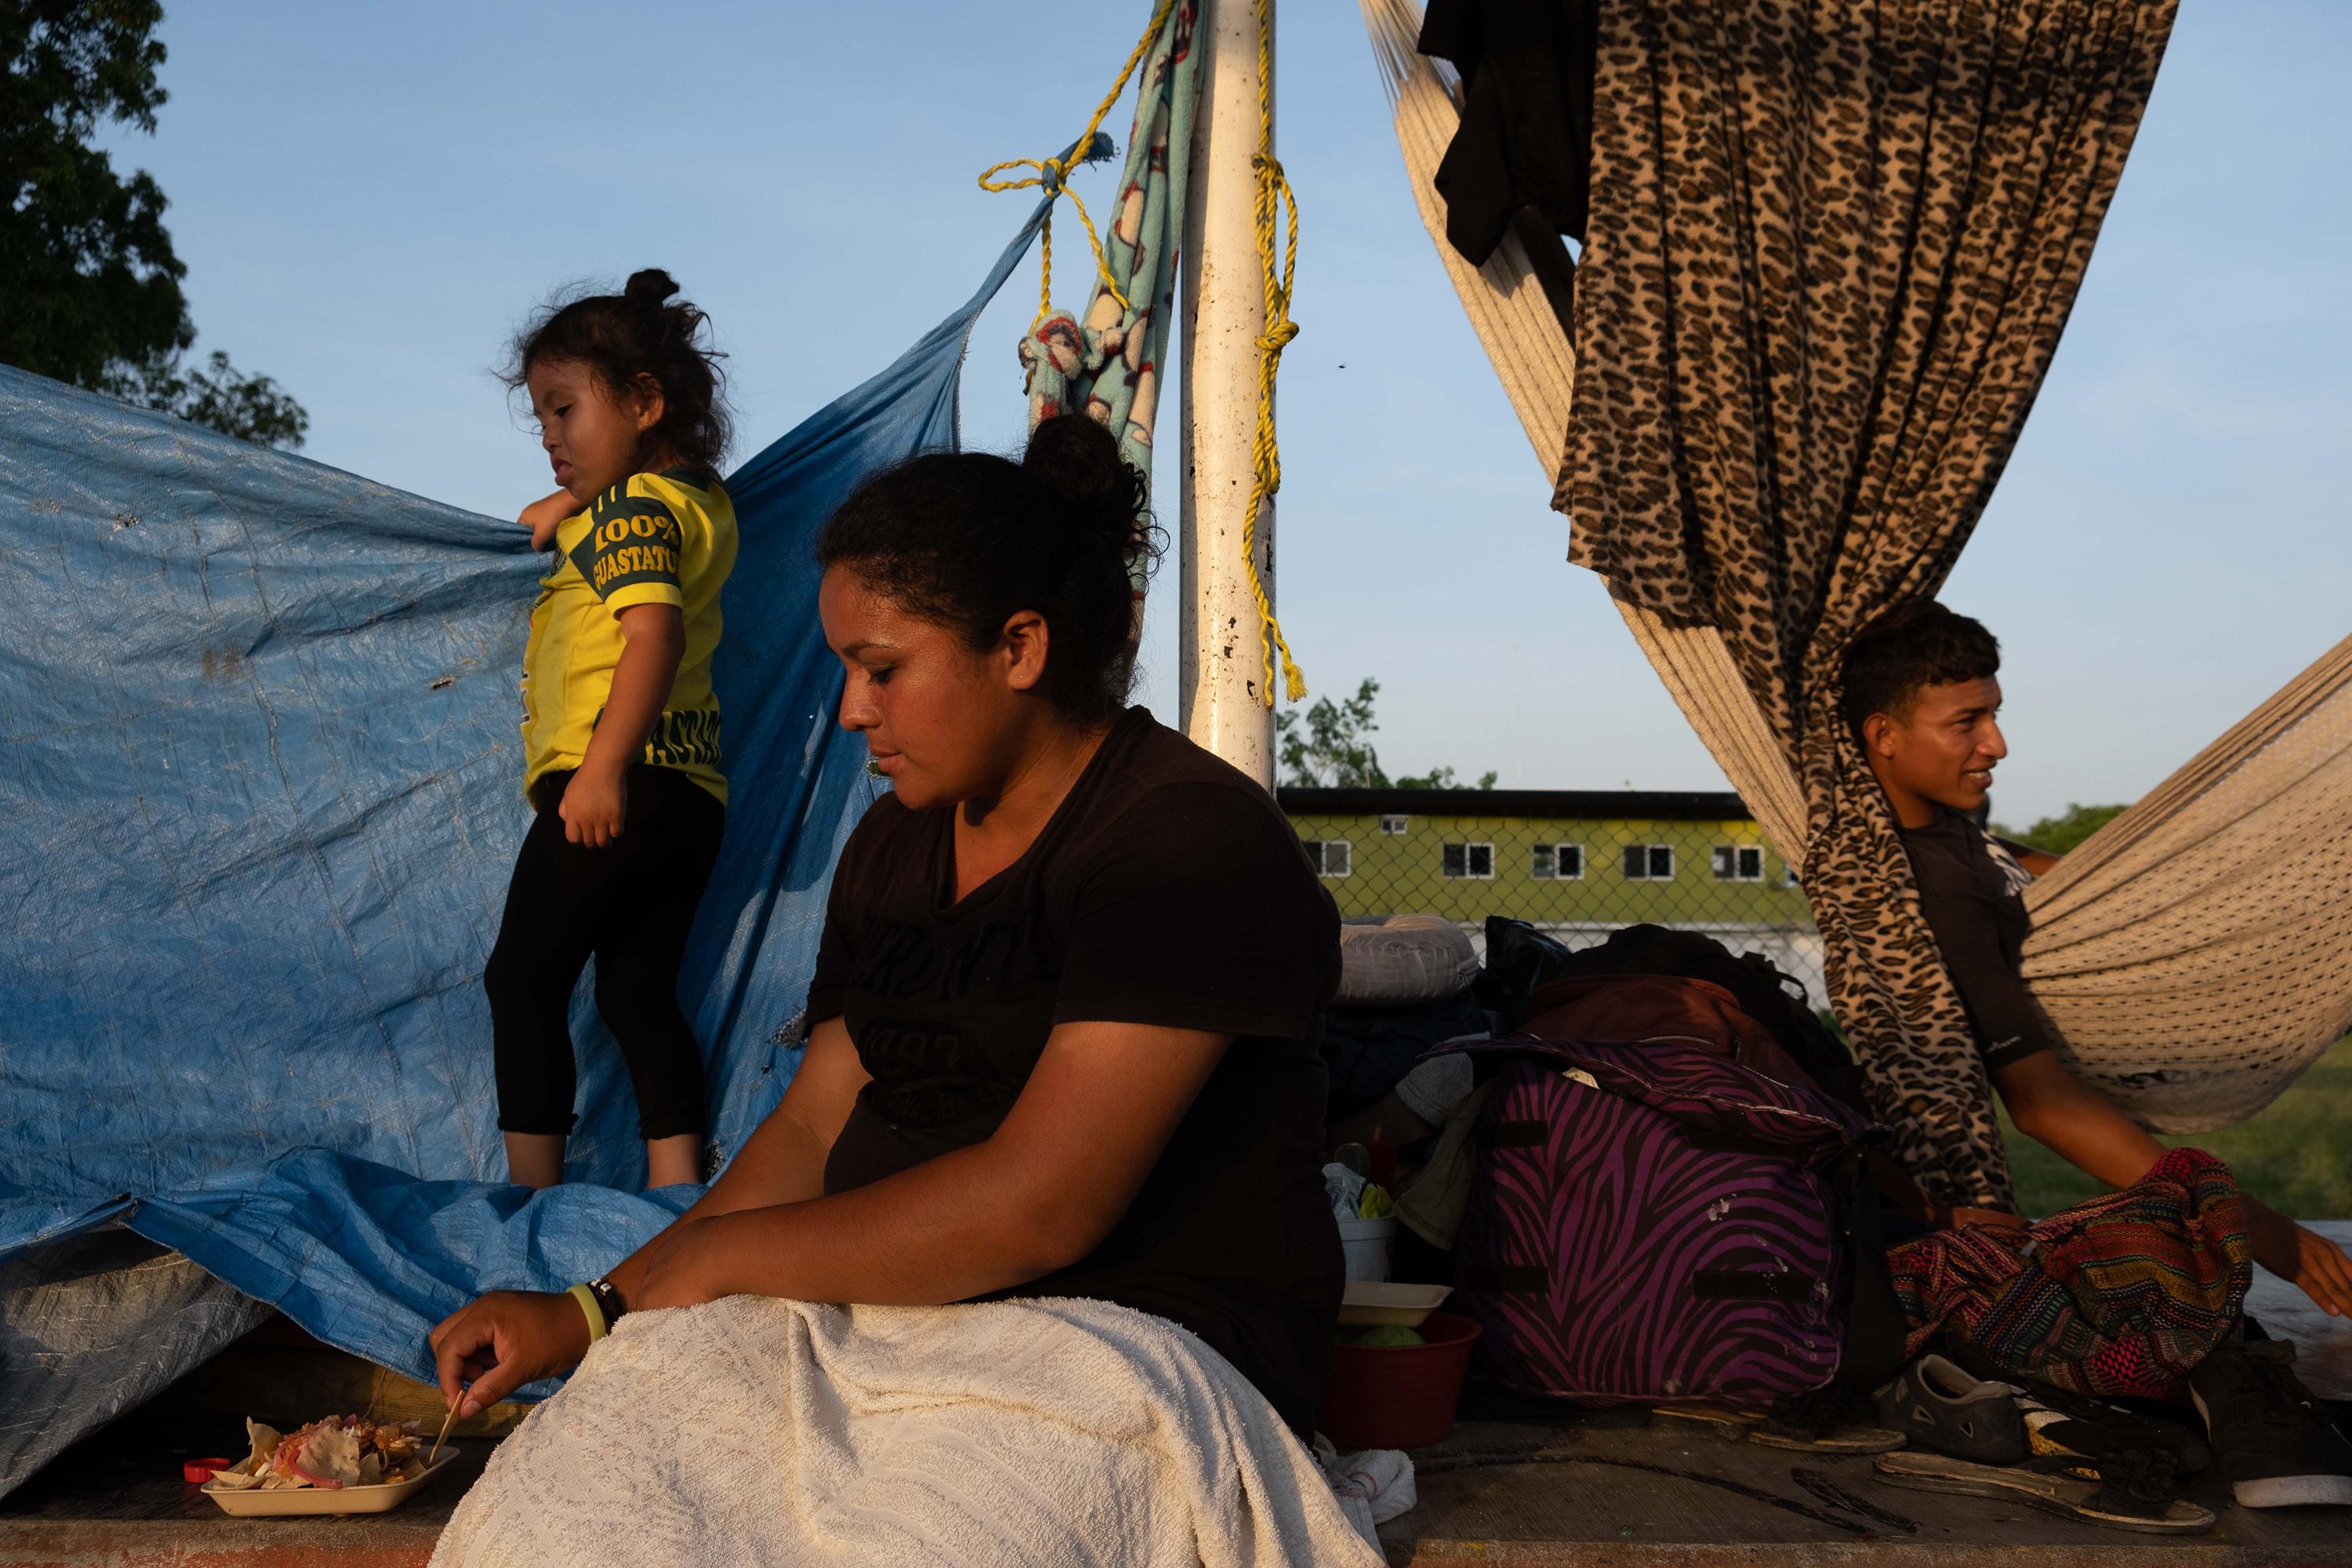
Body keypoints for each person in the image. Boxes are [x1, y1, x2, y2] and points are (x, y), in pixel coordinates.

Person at [432, 414, 1345, 1443]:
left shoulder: (1182, 839)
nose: (854, 709)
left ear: (1019, 648)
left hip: (1146, 1344)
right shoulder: (893, 848)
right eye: (844, 671)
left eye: (882, 668)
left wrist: (729, 1261)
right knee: (603, 1455)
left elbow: (1044, 1205)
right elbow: (815, 1125)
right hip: (914, 1320)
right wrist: (595, 1310)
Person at [1845, 601, 2352, 1507]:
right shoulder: (1929, 892)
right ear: (1884, 735)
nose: (1996, 743)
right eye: (1967, 722)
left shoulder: (1957, 831)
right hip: (1938, 1237)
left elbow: (2036, 875)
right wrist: (2264, 1230)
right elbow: (2038, 1100)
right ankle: (2224, 1395)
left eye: (1995, 713)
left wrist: (2186, 896)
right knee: (2170, 1262)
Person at [481, 269, 739, 1191]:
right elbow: (649, 532)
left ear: (642, 401)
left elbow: (652, 630)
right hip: (691, 796)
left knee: (521, 980)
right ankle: (677, 1192)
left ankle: (531, 1200)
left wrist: (600, 768)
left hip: (616, 782)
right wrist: (577, 507)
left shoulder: (631, 513)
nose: (550, 439)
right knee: (636, 994)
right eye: (541, 421)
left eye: (564, 412)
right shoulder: (694, 500)